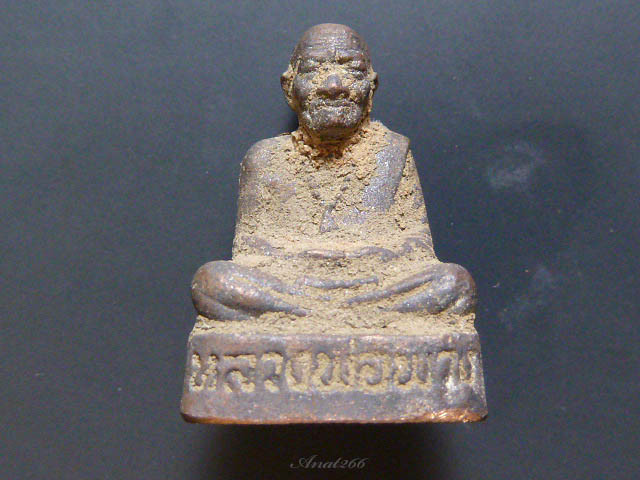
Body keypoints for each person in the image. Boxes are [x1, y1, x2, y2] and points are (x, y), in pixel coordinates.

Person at [191, 24, 476, 322]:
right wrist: (311, 262)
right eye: (314, 70)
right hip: (292, 286)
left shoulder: (391, 152)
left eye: (352, 71)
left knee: (454, 282)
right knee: (212, 282)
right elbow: (251, 250)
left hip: (373, 285)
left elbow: (418, 246)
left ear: (371, 87)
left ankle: (321, 317)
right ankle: (333, 316)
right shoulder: (265, 158)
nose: (333, 85)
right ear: (289, 87)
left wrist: (361, 260)